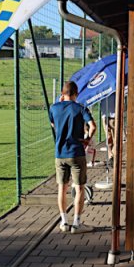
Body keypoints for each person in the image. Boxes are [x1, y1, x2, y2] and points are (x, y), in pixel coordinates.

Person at [50, 81, 96, 233]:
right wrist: (87, 140)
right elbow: (93, 126)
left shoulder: (54, 108)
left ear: (62, 94)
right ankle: (76, 223)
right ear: (76, 94)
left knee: (62, 188)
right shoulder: (81, 108)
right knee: (79, 187)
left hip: (60, 153)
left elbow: (53, 124)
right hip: (76, 152)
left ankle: (64, 221)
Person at [100, 93, 116, 163]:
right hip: (107, 115)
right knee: (110, 137)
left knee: (113, 138)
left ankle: (112, 155)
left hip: (111, 115)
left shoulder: (104, 91)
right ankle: (111, 156)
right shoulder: (103, 91)